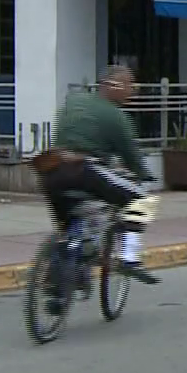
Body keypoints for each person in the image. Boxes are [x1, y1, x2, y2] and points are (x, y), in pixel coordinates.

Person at [37, 64, 161, 288]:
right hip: (84, 170)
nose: (131, 91)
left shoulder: (73, 101)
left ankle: (60, 284)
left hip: (50, 170)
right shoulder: (115, 116)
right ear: (113, 86)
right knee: (142, 200)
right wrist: (143, 176)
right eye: (129, 85)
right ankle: (130, 259)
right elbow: (130, 154)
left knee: (69, 229)